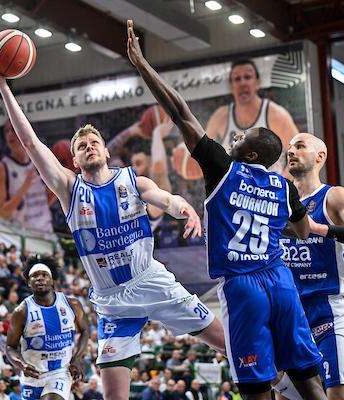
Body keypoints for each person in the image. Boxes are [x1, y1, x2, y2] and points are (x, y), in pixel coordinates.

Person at [0, 49, 224, 400]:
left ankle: (281, 384)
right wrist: (4, 87)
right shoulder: (69, 189)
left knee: (228, 344)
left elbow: (166, 199)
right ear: (75, 160)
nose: (90, 147)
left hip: (152, 281)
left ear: (106, 152)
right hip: (112, 301)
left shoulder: (132, 181)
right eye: (82, 146)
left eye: (95, 142)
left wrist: (185, 209)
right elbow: (31, 143)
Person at [127, 19, 325, 400]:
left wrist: (142, 65)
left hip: (243, 287)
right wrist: (267, 222)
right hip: (282, 282)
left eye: (241, 138)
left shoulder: (223, 168)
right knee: (308, 379)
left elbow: (179, 111)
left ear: (249, 155)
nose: (233, 138)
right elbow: (303, 231)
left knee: (256, 387)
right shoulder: (284, 187)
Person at [275, 133, 344, 400]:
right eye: (289, 148)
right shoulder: (277, 201)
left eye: (300, 146)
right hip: (290, 310)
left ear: (320, 156)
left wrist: (316, 228)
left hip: (327, 309)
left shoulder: (333, 196)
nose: (291, 151)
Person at [5, 256, 89, 400]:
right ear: (29, 283)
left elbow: (85, 331)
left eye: (44, 275)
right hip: (32, 375)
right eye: (35, 276)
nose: (40, 278)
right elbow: (10, 347)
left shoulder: (72, 304)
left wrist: (77, 358)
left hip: (60, 372)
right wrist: (22, 365)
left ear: (52, 280)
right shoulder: (21, 312)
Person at [205, 59, 298, 173]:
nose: (242, 83)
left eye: (247, 77)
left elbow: (299, 156)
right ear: (231, 86)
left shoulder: (276, 115)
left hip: (269, 182)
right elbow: (197, 163)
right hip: (234, 183)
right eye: (237, 79)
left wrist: (280, 181)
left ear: (258, 83)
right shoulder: (220, 117)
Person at [0, 120, 53, 233]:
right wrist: (25, 187)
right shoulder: (2, 167)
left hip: (47, 233)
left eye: (13, 129)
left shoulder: (38, 161)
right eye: (6, 131)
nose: (10, 134)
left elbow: (43, 203)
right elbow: (1, 214)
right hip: (23, 237)